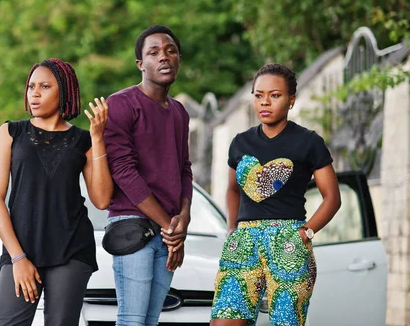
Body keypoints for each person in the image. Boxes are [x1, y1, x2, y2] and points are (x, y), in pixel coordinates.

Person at [210, 64, 342, 326]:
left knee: (285, 322)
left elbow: (333, 198)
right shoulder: (240, 142)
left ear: (291, 101)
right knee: (224, 320)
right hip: (243, 241)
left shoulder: (308, 141)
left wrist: (306, 233)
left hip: (288, 241)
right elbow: (232, 189)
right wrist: (233, 228)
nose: (265, 102)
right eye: (258, 95)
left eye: (275, 95)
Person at [0, 58, 113, 326]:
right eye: (31, 86)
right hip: (20, 248)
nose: (35, 93)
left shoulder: (84, 140)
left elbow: (102, 200)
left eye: (45, 86)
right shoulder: (10, 133)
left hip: (71, 250)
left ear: (64, 92)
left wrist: (98, 137)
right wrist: (18, 258)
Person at [103, 25, 193, 326]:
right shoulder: (121, 104)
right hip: (132, 227)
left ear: (179, 58)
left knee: (151, 321)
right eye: (153, 53)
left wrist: (183, 219)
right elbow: (123, 172)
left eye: (170, 51)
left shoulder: (180, 111)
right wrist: (170, 226)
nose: (164, 57)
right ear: (141, 64)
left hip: (167, 232)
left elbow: (184, 169)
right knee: (132, 320)